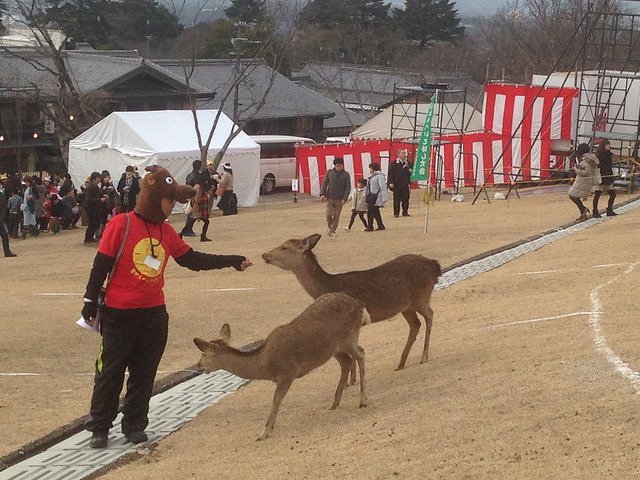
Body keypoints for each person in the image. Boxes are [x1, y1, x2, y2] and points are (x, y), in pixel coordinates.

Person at [80, 165, 253, 449]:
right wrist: (89, 299)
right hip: (118, 314)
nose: (172, 206)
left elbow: (191, 259)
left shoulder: (166, 231)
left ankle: (134, 423)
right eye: (169, 200)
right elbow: (101, 264)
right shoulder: (121, 224)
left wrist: (232, 260)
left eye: (174, 201)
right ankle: (100, 426)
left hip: (153, 315)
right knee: (110, 371)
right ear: (153, 196)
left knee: (144, 372)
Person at [319, 157, 351, 237]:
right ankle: (330, 226)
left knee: (337, 216)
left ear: (343, 166)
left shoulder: (346, 174)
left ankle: (333, 230)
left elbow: (348, 187)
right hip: (330, 197)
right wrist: (322, 193)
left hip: (340, 199)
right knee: (328, 214)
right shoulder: (329, 173)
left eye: (340, 166)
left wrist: (344, 198)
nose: (339, 167)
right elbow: (324, 183)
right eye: (337, 166)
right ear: (335, 166)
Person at [568, 143, 599, 222]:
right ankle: (583, 212)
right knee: (573, 195)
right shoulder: (589, 158)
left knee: (572, 195)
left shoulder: (586, 159)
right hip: (584, 181)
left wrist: (575, 169)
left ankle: (583, 210)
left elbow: (585, 172)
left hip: (583, 182)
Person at [592, 139, 617, 218]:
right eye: (607, 144)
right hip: (601, 176)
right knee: (597, 194)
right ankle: (595, 211)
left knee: (612, 194)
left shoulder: (609, 154)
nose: (608, 146)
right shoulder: (599, 155)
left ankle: (609, 209)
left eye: (609, 144)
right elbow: (597, 166)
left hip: (608, 176)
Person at [181, 160, 205, 236]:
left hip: (188, 194)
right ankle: (187, 230)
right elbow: (200, 187)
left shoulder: (189, 175)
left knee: (191, 213)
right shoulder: (199, 176)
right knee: (192, 214)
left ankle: (188, 229)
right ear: (200, 166)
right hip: (195, 196)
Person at [387, 148, 413, 217]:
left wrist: (411, 172)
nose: (404, 154)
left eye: (405, 153)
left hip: (405, 184)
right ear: (398, 154)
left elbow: (411, 174)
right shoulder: (394, 163)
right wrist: (390, 182)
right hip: (397, 184)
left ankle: (405, 212)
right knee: (396, 200)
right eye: (403, 153)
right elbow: (391, 174)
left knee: (406, 199)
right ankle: (396, 213)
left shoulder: (408, 163)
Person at [364, 162, 388, 232]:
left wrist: (384, 198)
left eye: (370, 168)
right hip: (372, 196)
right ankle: (380, 225)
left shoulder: (380, 176)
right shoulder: (372, 177)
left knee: (370, 212)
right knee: (375, 212)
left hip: (376, 197)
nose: (370, 170)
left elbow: (383, 187)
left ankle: (370, 226)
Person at [84, 172, 104, 244]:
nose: (99, 179)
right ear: (94, 178)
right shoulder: (91, 186)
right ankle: (87, 238)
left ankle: (90, 237)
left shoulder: (93, 186)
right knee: (92, 223)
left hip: (94, 207)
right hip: (91, 207)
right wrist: (99, 199)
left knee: (95, 222)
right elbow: (89, 199)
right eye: (98, 178)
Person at [0, 187, 16, 257]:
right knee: (5, 235)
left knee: (5, 236)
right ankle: (7, 252)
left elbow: (4, 208)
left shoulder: (1, 195)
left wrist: (1, 218)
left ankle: (7, 252)